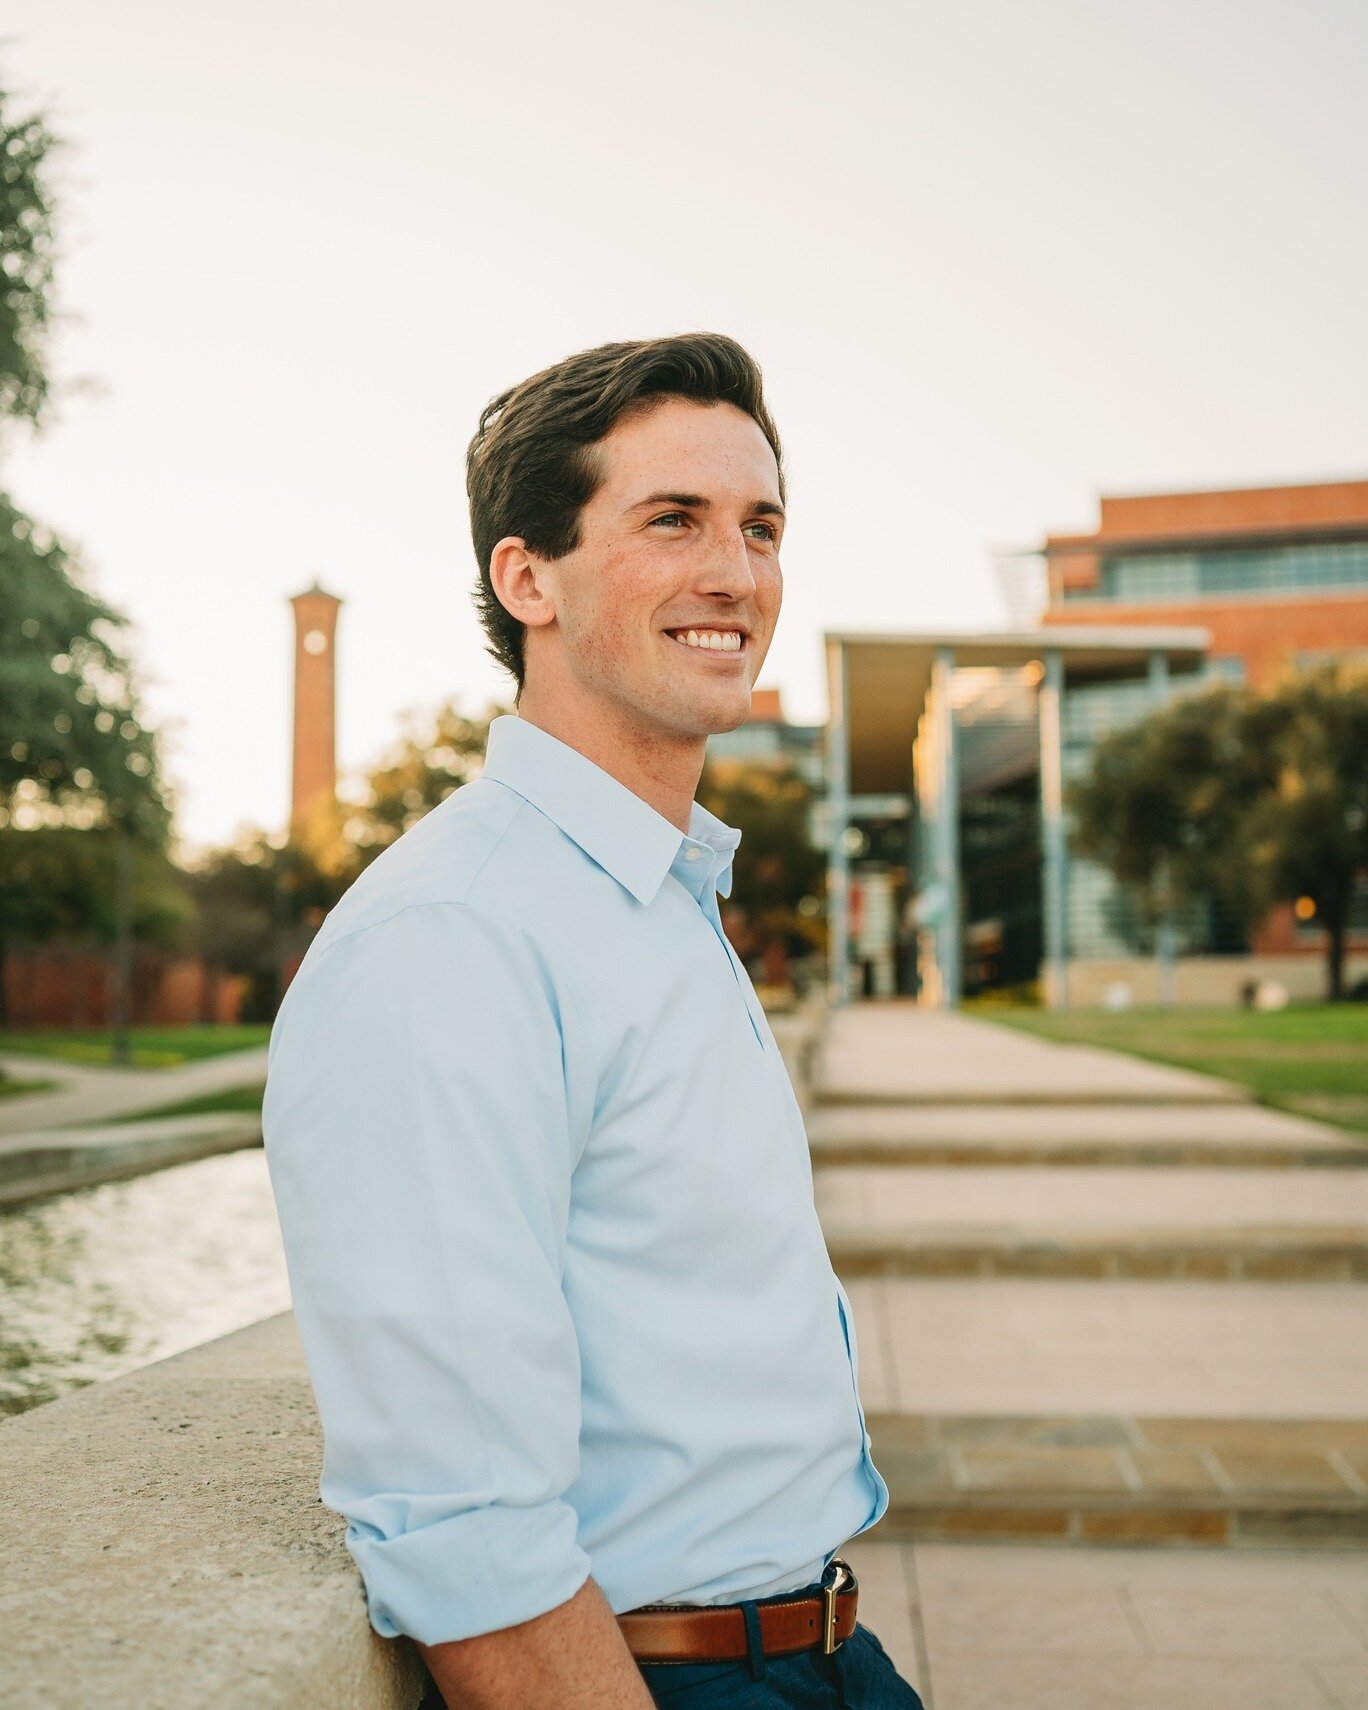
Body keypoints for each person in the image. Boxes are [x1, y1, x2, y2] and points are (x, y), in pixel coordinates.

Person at [262, 333, 924, 1709]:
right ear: (528, 577)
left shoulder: (657, 891)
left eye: (761, 526)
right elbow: (462, 1520)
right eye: (670, 520)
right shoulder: (453, 935)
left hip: (824, 1652)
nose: (735, 575)